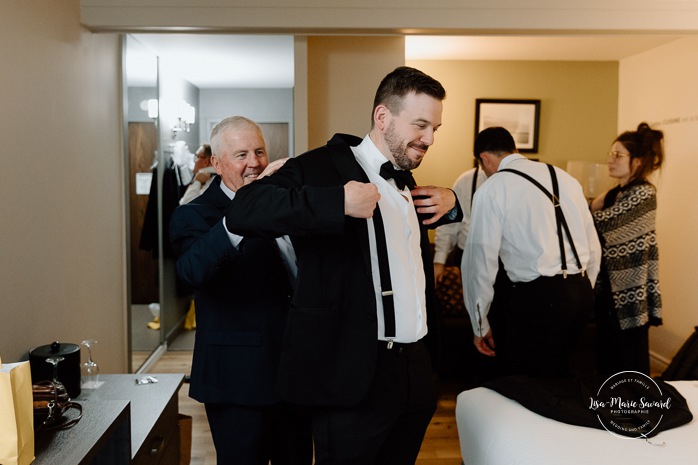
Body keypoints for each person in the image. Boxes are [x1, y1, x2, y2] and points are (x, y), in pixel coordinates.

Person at [225, 66, 462, 465]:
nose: (430, 139)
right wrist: (337, 202)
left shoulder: (407, 182)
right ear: (383, 117)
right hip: (354, 375)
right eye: (421, 125)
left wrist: (453, 201)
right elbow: (244, 211)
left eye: (436, 128)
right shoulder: (320, 168)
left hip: (416, 374)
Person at [169, 116, 312, 465]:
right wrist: (239, 216)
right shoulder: (193, 215)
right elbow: (191, 272)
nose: (255, 163)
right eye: (242, 154)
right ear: (217, 164)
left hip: (295, 373)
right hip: (236, 379)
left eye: (260, 151)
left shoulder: (286, 203)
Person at [462, 126, 601, 379]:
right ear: (514, 149)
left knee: (529, 383)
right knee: (564, 379)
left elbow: (480, 262)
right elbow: (593, 246)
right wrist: (582, 288)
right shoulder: (565, 178)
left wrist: (479, 323)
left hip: (539, 299)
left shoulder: (493, 189)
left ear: (484, 159)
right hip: (580, 295)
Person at [590, 122, 664, 377]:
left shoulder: (644, 193)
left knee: (629, 359)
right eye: (611, 154)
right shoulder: (614, 193)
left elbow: (603, 225)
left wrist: (586, 212)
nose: (611, 160)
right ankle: (610, 407)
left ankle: (634, 409)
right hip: (607, 287)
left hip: (630, 291)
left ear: (637, 161)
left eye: (618, 155)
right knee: (607, 355)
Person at [433, 160, 487, 279]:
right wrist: (439, 261)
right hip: (469, 257)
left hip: (506, 260)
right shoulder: (466, 180)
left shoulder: (514, 182)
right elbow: (450, 222)